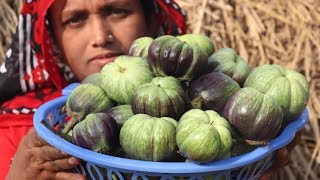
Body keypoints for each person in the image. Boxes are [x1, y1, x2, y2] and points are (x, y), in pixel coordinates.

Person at [0, 0, 299, 179]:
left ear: (151, 17)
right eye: (75, 19)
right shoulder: (13, 135)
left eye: (117, 10)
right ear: (52, 38)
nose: (100, 36)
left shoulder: (205, 85)